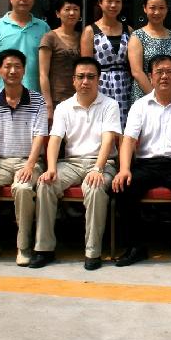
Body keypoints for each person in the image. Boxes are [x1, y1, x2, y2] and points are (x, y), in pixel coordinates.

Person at [113, 55, 171, 268]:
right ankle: (135, 247)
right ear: (151, 77)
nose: (164, 76)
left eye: (170, 71)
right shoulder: (140, 105)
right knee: (123, 186)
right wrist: (124, 169)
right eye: (159, 72)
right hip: (147, 163)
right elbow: (129, 140)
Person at [36, 57, 120, 270]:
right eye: (81, 77)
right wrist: (51, 168)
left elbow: (108, 140)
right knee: (45, 184)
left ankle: (92, 252)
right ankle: (44, 249)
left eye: (91, 77)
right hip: (71, 163)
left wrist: (98, 169)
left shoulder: (110, 105)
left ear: (98, 80)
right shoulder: (63, 107)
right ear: (73, 80)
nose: (85, 81)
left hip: (102, 163)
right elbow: (55, 140)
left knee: (94, 187)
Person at [0, 49, 48, 266]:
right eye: (7, 66)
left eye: (17, 66)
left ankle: (23, 247)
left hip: (29, 161)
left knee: (22, 188)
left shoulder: (37, 100)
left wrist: (30, 165)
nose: (12, 71)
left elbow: (40, 137)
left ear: (24, 70)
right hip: (2, 162)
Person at [80, 0, 132, 130]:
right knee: (101, 125)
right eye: (109, 1)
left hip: (124, 84)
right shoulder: (90, 31)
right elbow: (87, 66)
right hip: (100, 83)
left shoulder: (128, 30)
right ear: (100, 2)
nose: (113, 5)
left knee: (124, 125)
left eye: (118, 1)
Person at [128, 0, 171, 103]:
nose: (157, 12)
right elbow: (137, 72)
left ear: (167, 9)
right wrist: (155, 96)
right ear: (145, 8)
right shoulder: (137, 36)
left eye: (161, 8)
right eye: (152, 8)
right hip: (145, 95)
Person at [38, 0, 82, 117]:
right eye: (67, 9)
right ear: (58, 13)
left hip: (79, 98)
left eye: (75, 9)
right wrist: (48, 104)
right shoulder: (49, 38)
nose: (72, 13)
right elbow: (43, 74)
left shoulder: (83, 37)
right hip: (57, 99)